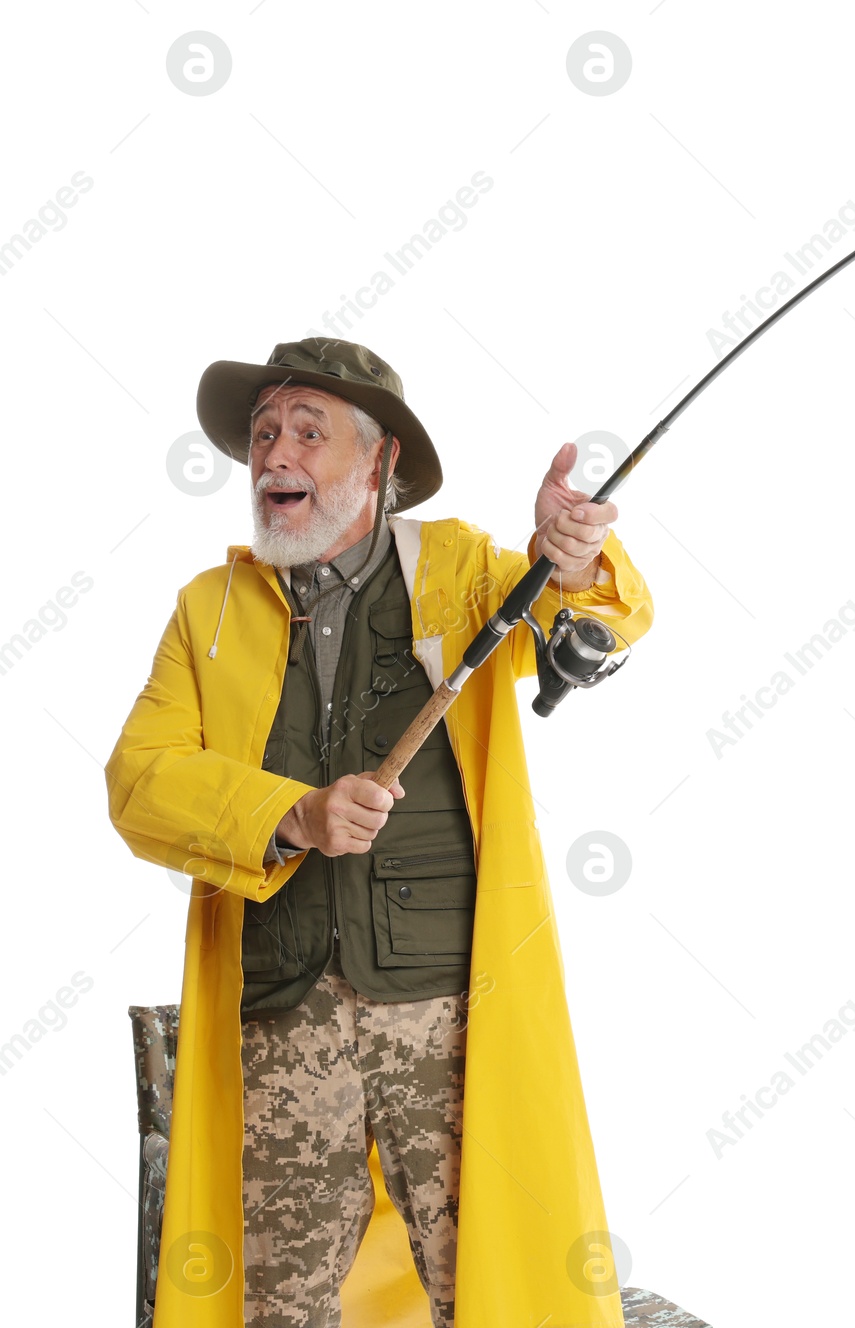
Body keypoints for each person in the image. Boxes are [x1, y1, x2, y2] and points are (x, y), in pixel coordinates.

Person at [105, 337, 653, 1328]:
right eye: (266, 431)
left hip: (447, 1010)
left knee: (492, 1284)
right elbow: (140, 780)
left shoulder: (455, 571)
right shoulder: (210, 611)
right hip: (282, 1014)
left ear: (381, 461)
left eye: (310, 431)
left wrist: (569, 559)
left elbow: (579, 623)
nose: (276, 452)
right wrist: (292, 811)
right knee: (279, 1305)